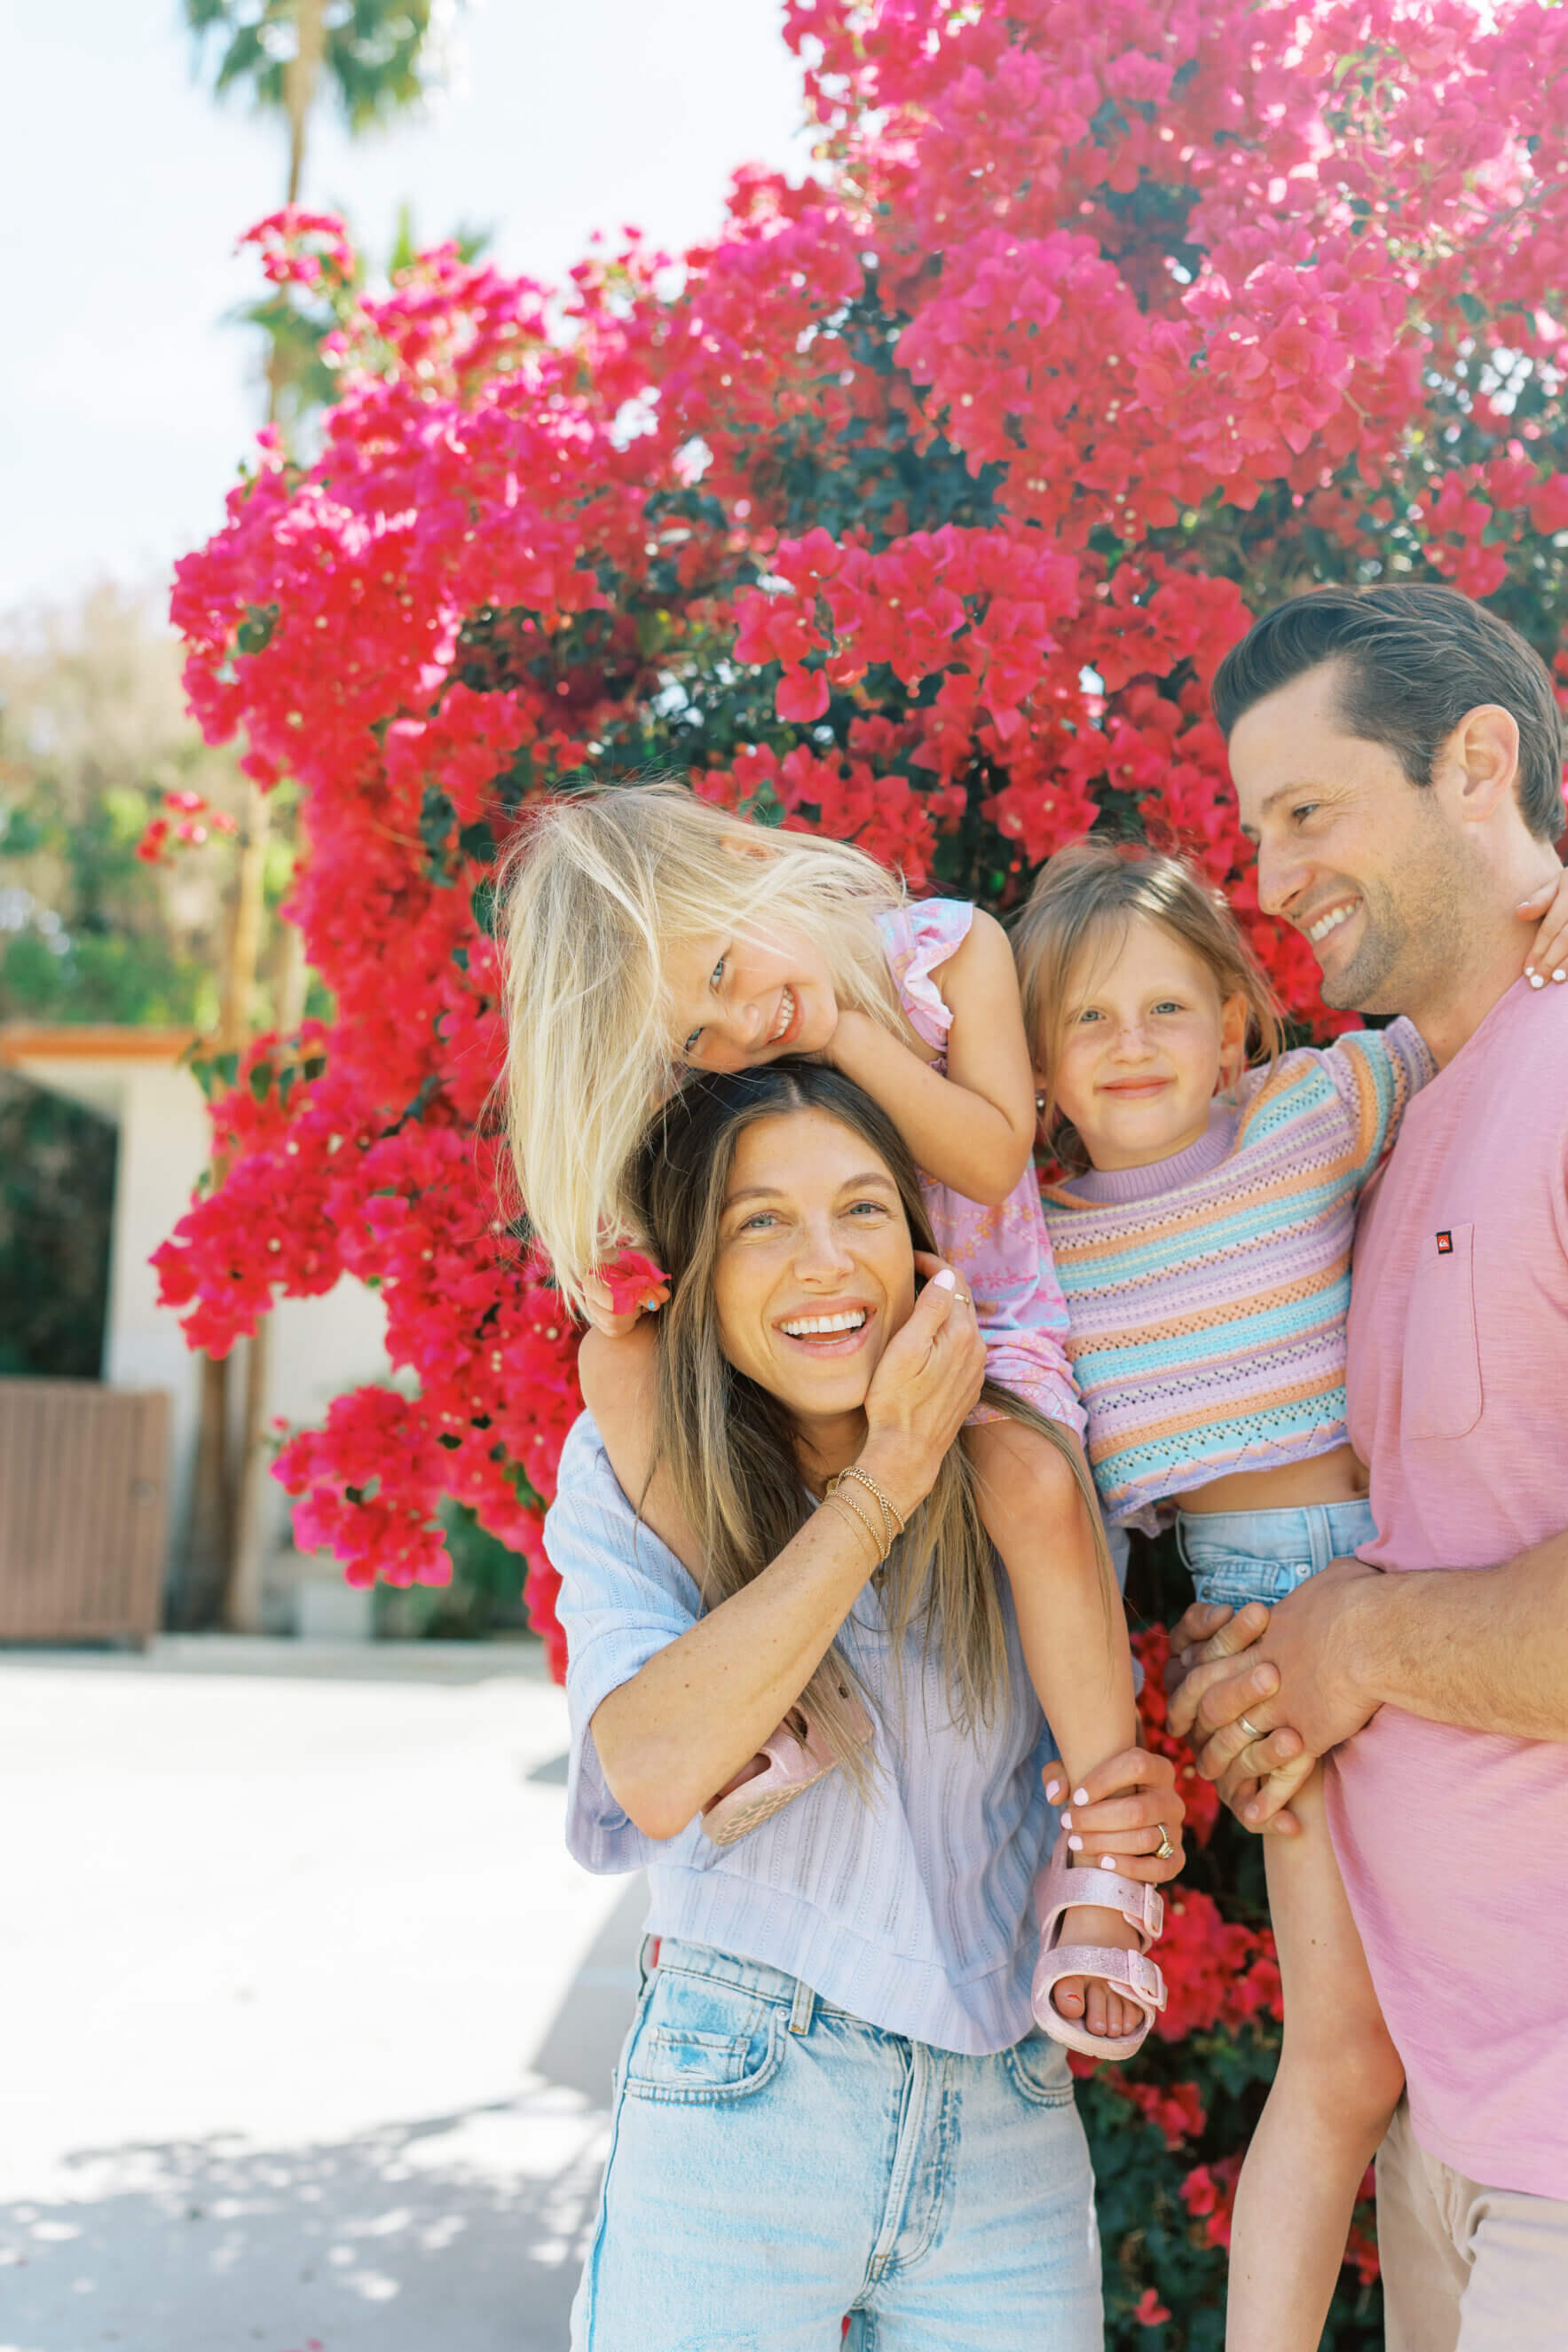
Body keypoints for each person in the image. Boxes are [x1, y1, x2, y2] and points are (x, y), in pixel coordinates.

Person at [502, 782, 1158, 2050]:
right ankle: (767, 1703)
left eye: (734, 970)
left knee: (1027, 1487)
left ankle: (1110, 1850)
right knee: (616, 1360)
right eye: (700, 1037)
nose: (747, 1024)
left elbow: (986, 1159)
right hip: (855, 1333)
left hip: (985, 1321)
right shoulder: (753, 1057)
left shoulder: (946, 950)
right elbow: (748, 1197)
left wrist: (856, 1032)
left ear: (749, 861)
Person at [542, 1060, 1186, 2348]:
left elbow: (1092, 1751)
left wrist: (1131, 1816)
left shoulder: (1019, 1478)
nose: (824, 1262)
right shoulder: (634, 1473)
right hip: (742, 2096)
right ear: (696, 1276)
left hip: (1006, 2110)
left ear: (924, 1251)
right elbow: (657, 1769)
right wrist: (882, 1477)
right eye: (760, 1221)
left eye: (864, 1210)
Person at [1164, 581, 1568, 2351]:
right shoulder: (1400, 1127)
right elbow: (1387, 1544)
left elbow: (1380, 1612)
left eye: (1306, 810)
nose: (1265, 874)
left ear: (1474, 762)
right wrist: (1266, 1668)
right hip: (1440, 2135)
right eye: (1251, 828)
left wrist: (1349, 1644)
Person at [1012, 836, 1432, 2352]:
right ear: (1040, 1067)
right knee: (1344, 2051)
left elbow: (1473, 1015)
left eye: (1169, 1007)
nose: (1134, 1045)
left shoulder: (1309, 1112)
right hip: (1257, 1627)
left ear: (1240, 1020)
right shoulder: (1037, 1240)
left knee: (1486, 2021)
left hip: (1441, 1565)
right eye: (1090, 1020)